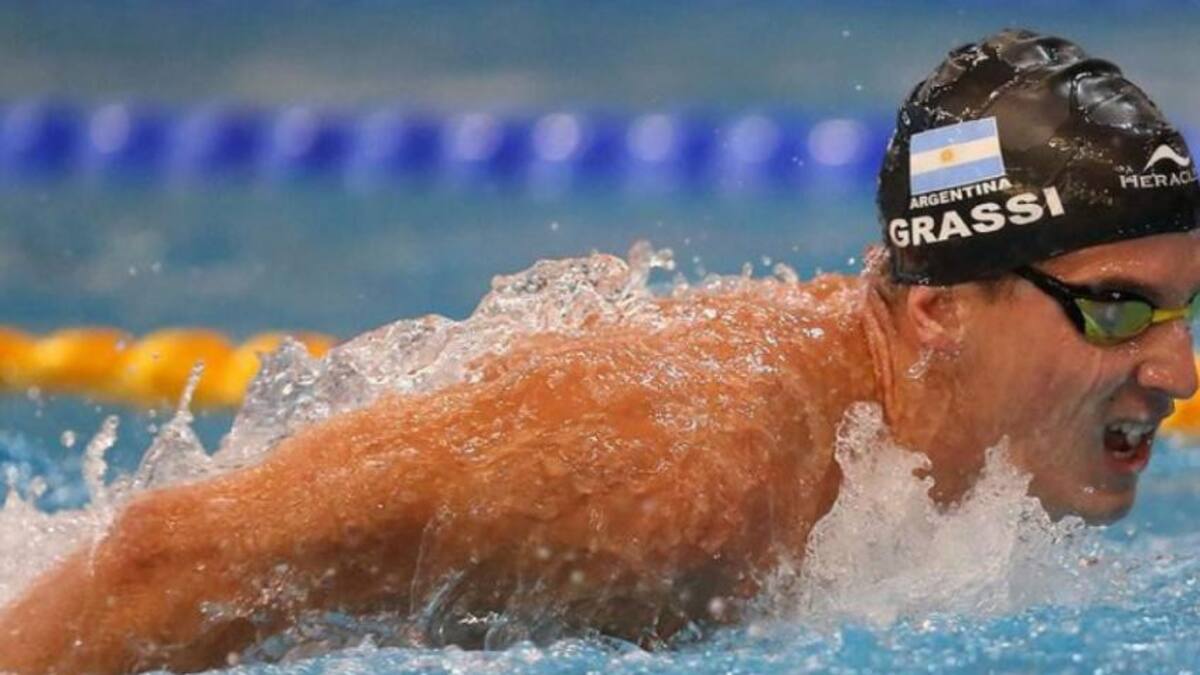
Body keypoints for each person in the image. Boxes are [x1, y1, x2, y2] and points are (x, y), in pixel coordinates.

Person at [2, 28, 1198, 674]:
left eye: (1185, 308)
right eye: (1115, 309)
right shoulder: (687, 480)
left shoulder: (933, 451)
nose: (1177, 371)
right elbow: (169, 559)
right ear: (940, 305)